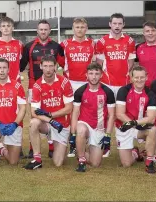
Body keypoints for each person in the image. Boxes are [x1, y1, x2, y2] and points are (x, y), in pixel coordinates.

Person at [20, 20, 66, 159]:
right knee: (34, 116)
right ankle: (32, 148)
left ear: (49, 31)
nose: (43, 32)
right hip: (34, 87)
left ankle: (52, 147)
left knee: (52, 113)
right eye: (41, 29)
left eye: (46, 29)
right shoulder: (29, 46)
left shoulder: (56, 46)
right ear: (37, 30)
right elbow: (21, 67)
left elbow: (64, 65)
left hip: (53, 87)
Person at [95, 13, 136, 158]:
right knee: (105, 115)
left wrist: (124, 75)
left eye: (120, 23)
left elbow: (130, 64)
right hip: (107, 84)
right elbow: (99, 64)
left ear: (123, 24)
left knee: (123, 116)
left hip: (123, 84)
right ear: (110, 24)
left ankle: (127, 145)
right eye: (115, 23)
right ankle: (105, 145)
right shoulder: (102, 42)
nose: (117, 26)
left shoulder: (130, 41)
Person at [25, 57, 73, 170]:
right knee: (33, 122)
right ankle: (37, 159)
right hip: (47, 124)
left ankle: (63, 143)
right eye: (45, 66)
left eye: (51, 66)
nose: (48, 69)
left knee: (58, 163)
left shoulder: (64, 82)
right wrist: (50, 120)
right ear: (41, 67)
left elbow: (69, 108)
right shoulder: (37, 85)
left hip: (62, 125)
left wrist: (51, 115)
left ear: (56, 66)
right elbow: (33, 112)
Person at [60, 17, 96, 158]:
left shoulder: (93, 44)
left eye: (82, 27)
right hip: (71, 83)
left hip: (87, 83)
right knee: (71, 114)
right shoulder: (65, 44)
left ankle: (87, 142)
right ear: (73, 29)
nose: (80, 30)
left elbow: (95, 64)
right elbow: (61, 63)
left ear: (86, 28)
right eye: (77, 27)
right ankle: (73, 143)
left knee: (87, 113)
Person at [70, 63, 115, 172]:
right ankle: (81, 160)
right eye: (91, 73)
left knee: (95, 163)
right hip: (84, 123)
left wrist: (108, 135)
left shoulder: (108, 92)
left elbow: (112, 115)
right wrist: (73, 134)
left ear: (101, 75)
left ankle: (79, 149)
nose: (94, 76)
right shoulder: (80, 91)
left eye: (96, 74)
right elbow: (75, 113)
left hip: (99, 128)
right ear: (86, 75)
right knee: (81, 130)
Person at [114, 66, 156, 174]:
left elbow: (151, 118)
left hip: (138, 126)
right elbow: (119, 114)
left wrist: (135, 123)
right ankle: (136, 153)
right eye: (136, 77)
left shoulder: (150, 94)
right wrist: (131, 123)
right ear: (131, 78)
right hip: (123, 127)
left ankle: (149, 162)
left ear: (146, 77)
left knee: (152, 129)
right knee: (126, 164)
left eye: (142, 77)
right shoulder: (123, 90)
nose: (139, 80)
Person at [0, 17, 24, 83]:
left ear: (13, 28)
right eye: (3, 26)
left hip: (15, 81)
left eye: (8, 26)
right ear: (0, 28)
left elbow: (21, 61)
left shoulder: (19, 44)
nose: (6, 28)